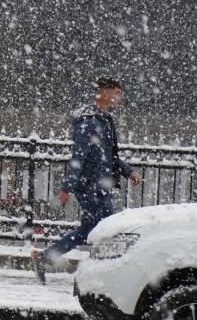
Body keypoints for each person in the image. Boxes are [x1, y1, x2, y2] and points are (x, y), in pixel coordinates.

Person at [33, 75, 142, 283]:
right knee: (108, 229)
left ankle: (45, 258)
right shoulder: (89, 122)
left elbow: (110, 157)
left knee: (88, 231)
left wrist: (129, 172)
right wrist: (67, 187)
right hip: (90, 187)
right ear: (106, 93)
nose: (120, 98)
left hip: (100, 186)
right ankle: (106, 273)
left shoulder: (104, 120)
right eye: (118, 94)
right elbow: (78, 157)